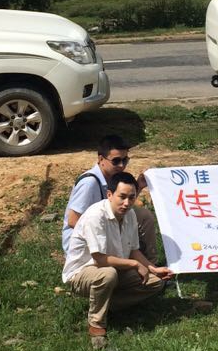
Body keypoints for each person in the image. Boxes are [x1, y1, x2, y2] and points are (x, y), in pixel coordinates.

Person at [62, 171, 173, 347]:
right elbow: (99, 259)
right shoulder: (95, 216)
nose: (127, 202)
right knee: (108, 275)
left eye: (131, 197)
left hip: (114, 268)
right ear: (109, 195)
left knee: (155, 283)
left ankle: (106, 305)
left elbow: (134, 250)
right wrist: (134, 264)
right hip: (82, 273)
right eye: (122, 196)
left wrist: (153, 268)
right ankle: (96, 324)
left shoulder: (130, 215)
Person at [62, 134, 158, 262]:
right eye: (116, 161)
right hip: (84, 246)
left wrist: (138, 187)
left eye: (125, 160)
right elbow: (73, 221)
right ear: (101, 159)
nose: (121, 166)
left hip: (105, 231)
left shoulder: (112, 177)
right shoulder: (90, 183)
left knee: (143, 216)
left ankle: (151, 264)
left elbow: (120, 203)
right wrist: (113, 235)